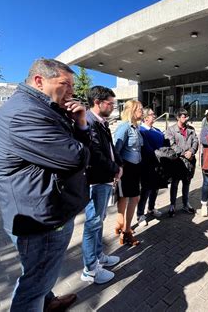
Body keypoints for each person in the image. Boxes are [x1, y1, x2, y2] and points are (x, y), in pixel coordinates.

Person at [0, 58, 89, 311]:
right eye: (65, 84)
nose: (71, 91)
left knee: (37, 270)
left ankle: (48, 301)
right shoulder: (25, 113)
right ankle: (38, 300)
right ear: (39, 81)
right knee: (33, 283)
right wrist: (81, 126)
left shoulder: (41, 108)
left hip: (39, 207)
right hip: (40, 216)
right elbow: (75, 157)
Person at [80, 86, 122, 285]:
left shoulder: (101, 123)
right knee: (93, 222)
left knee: (99, 220)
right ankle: (90, 270)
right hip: (95, 181)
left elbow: (110, 149)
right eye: (110, 103)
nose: (113, 107)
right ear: (97, 102)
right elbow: (95, 153)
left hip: (104, 179)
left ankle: (98, 256)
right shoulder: (88, 121)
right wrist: (114, 167)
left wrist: (118, 164)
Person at [114, 100, 143, 246]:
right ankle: (125, 230)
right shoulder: (124, 127)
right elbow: (116, 149)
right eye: (140, 109)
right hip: (126, 168)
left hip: (136, 167)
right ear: (132, 111)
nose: (142, 112)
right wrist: (119, 168)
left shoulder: (136, 127)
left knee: (133, 198)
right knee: (125, 198)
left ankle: (124, 228)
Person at [165, 108, 199, 217]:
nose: (186, 118)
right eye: (184, 116)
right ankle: (172, 205)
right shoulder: (171, 130)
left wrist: (192, 152)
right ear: (178, 117)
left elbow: (195, 141)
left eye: (187, 116)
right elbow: (171, 144)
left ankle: (185, 204)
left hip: (189, 161)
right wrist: (184, 153)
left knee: (186, 183)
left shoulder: (191, 129)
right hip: (177, 162)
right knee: (174, 184)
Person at [137, 107, 165, 226]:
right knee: (146, 190)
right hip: (147, 165)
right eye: (152, 114)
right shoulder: (141, 130)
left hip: (159, 164)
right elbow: (145, 149)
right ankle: (140, 214)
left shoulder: (157, 130)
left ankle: (151, 208)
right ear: (146, 117)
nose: (154, 116)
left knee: (156, 188)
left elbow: (164, 143)